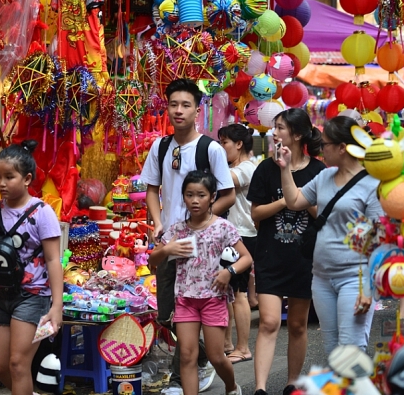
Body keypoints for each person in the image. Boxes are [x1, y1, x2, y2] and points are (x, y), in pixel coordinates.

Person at [140, 78, 236, 395]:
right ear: (166, 107)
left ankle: (188, 373)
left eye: (186, 105)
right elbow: (152, 189)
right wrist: (158, 224)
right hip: (171, 243)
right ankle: (202, 359)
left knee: (199, 309)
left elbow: (228, 195)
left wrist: (202, 221)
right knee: (168, 313)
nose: (178, 111)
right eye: (173, 104)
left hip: (204, 248)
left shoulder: (211, 149)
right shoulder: (161, 146)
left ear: (197, 110)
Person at [277, 115, 383, 356]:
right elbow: (294, 201)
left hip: (354, 278)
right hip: (322, 276)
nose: (320, 148)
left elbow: (380, 239)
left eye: (325, 144)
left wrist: (369, 288)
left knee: (351, 348)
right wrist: (285, 169)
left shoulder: (371, 184)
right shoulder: (325, 176)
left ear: (342, 148)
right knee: (332, 349)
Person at [0, 140, 64, 395]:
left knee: (18, 363)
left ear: (27, 178)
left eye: (9, 177)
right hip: (0, 295)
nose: (1, 183)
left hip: (33, 297)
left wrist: (57, 306)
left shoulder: (43, 213)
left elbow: (55, 261)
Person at [149, 170, 252, 395]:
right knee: (187, 355)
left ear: (212, 197)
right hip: (185, 299)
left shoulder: (223, 227)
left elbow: (246, 258)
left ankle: (231, 386)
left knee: (216, 356)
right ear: (183, 197)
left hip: (214, 298)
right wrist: (167, 249)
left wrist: (229, 272)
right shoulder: (177, 230)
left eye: (201, 195)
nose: (195, 201)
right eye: (189, 195)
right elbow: (152, 261)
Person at [246, 109, 326, 395]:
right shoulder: (265, 169)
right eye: (274, 127)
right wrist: (285, 201)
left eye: (280, 128)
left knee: (297, 324)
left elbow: (322, 214)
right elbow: (256, 214)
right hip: (270, 255)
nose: (274, 133)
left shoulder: (318, 171)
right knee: (268, 321)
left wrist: (298, 196)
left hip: (304, 258)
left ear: (297, 134)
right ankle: (260, 388)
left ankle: (292, 383)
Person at [217, 124, 257, 363]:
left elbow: (225, 180)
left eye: (225, 143)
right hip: (232, 235)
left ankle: (243, 348)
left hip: (243, 236)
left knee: (239, 293)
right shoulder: (235, 166)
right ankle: (227, 343)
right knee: (229, 292)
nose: (222, 148)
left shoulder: (246, 168)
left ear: (239, 144)